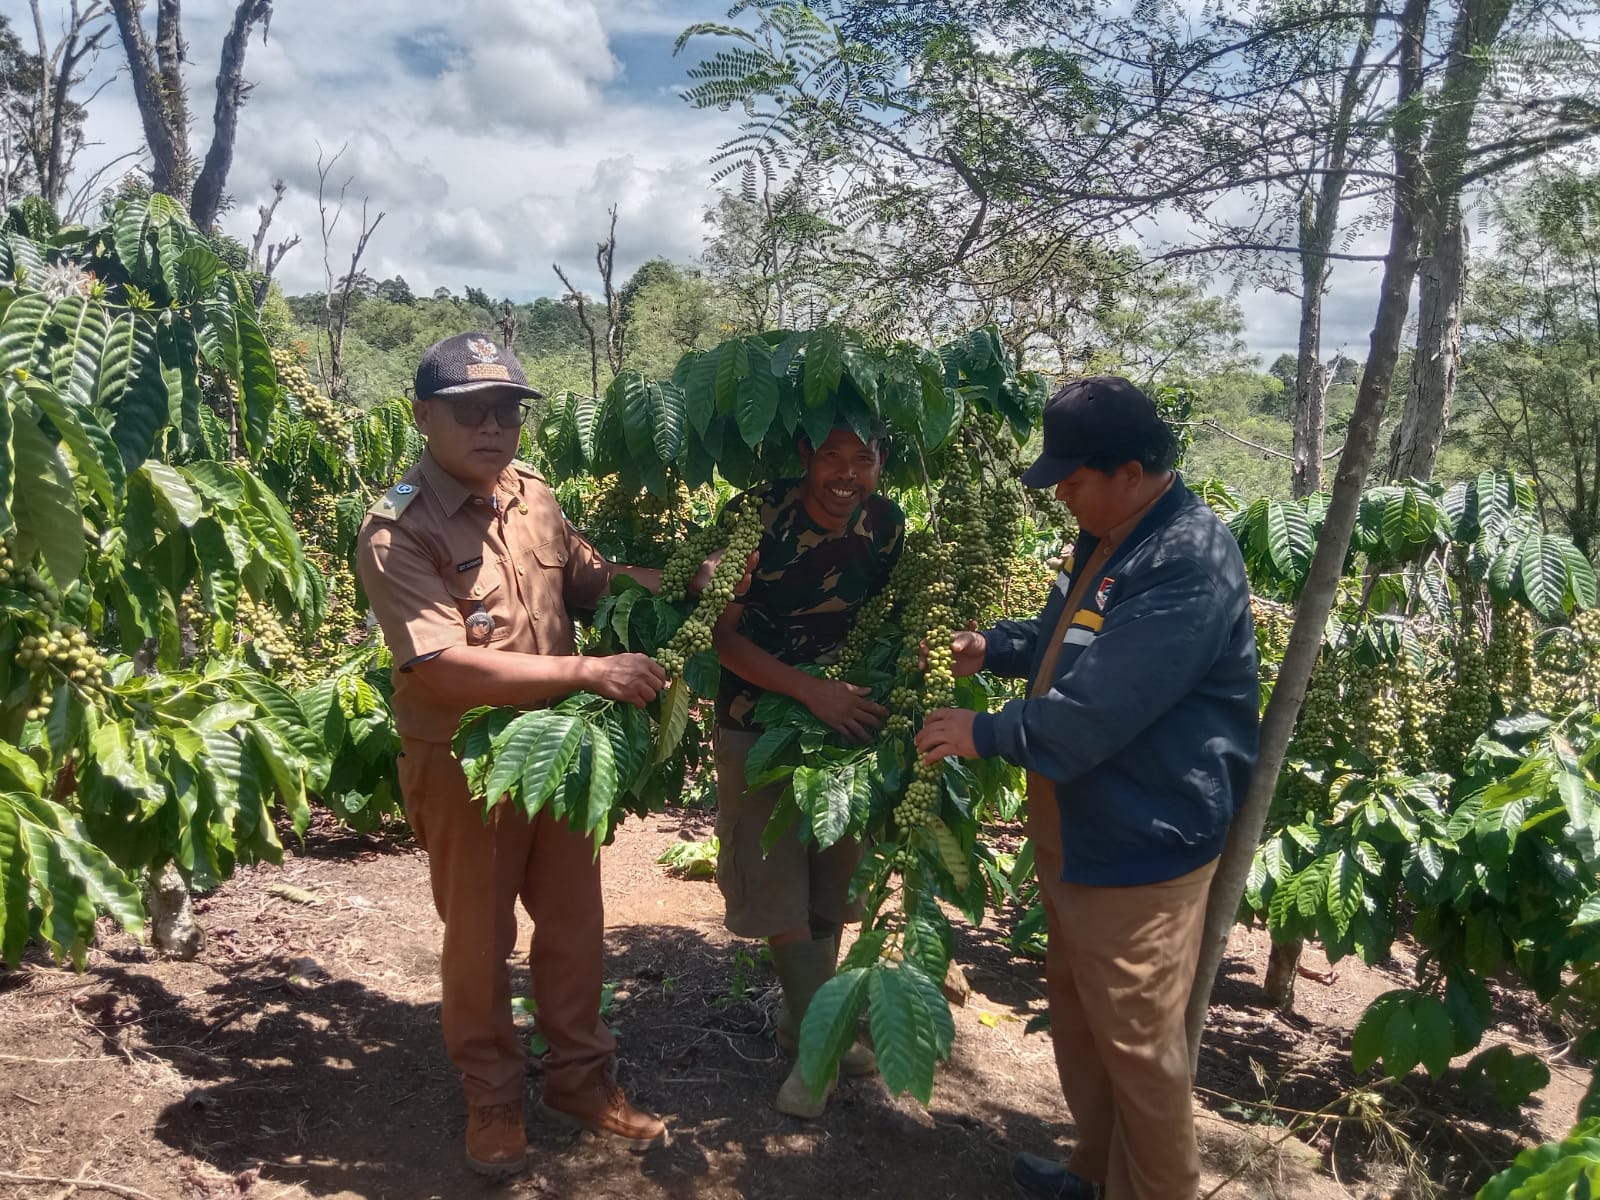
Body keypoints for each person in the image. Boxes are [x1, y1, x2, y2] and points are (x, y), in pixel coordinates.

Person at [356, 333, 727, 1177]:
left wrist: (685, 582)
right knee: (481, 935)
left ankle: (581, 1081)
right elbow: (442, 666)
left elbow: (596, 581)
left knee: (574, 924)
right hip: (465, 761)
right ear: (422, 417)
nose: (493, 428)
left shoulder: (535, 499)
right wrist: (588, 670)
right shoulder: (397, 530)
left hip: (558, 752)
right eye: (469, 412)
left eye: (507, 413)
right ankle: (491, 1100)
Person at [914, 377, 1259, 1200]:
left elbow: (1101, 707)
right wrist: (994, 646)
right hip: (1082, 818)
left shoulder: (1187, 562)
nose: (1062, 494)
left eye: (1073, 480)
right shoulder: (1113, 538)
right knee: (1083, 1018)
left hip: (1142, 834)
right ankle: (1095, 1173)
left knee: (1139, 1047)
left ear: (1132, 472)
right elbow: (1068, 635)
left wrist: (984, 731)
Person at [711, 422, 905, 1117]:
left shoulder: (887, 523)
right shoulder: (756, 515)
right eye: (831, 456)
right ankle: (819, 1053)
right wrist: (806, 690)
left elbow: (887, 617)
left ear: (882, 465)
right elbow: (720, 631)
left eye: (864, 458)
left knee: (834, 879)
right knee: (776, 881)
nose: (846, 473)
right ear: (803, 459)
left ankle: (803, 1023)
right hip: (756, 720)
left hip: (846, 728)